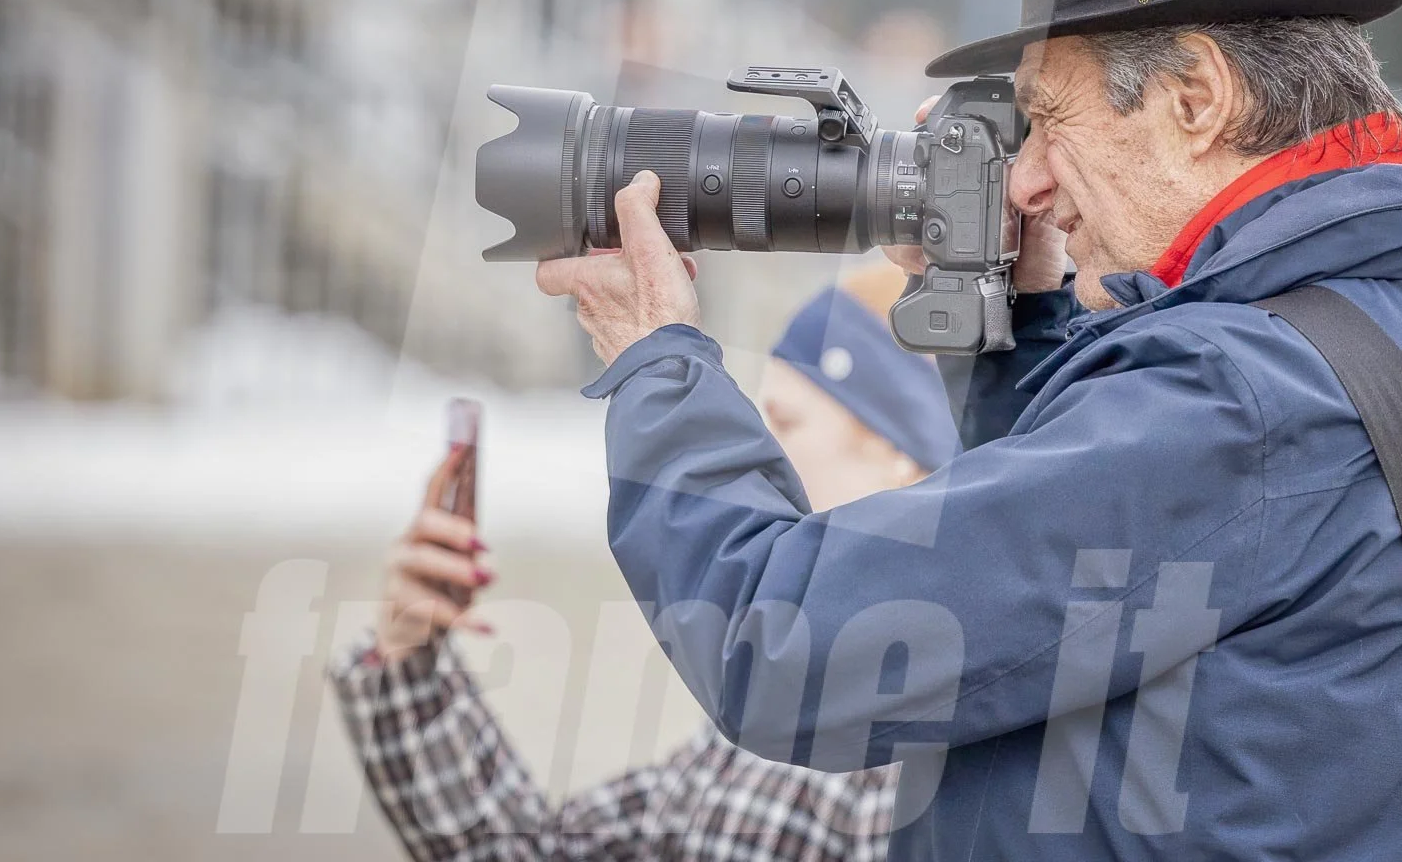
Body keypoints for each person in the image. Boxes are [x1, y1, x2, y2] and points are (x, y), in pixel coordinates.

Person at [532, 0, 1402, 858]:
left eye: (1051, 121)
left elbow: (782, 643)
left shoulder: (1231, 403)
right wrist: (1020, 323)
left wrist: (656, 357)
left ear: (1196, 96)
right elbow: (1131, 583)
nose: (1025, 179)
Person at [330, 263, 985, 861]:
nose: (764, 454)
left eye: (784, 421)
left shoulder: (914, 744)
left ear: (905, 454)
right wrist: (408, 658)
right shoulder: (795, 690)